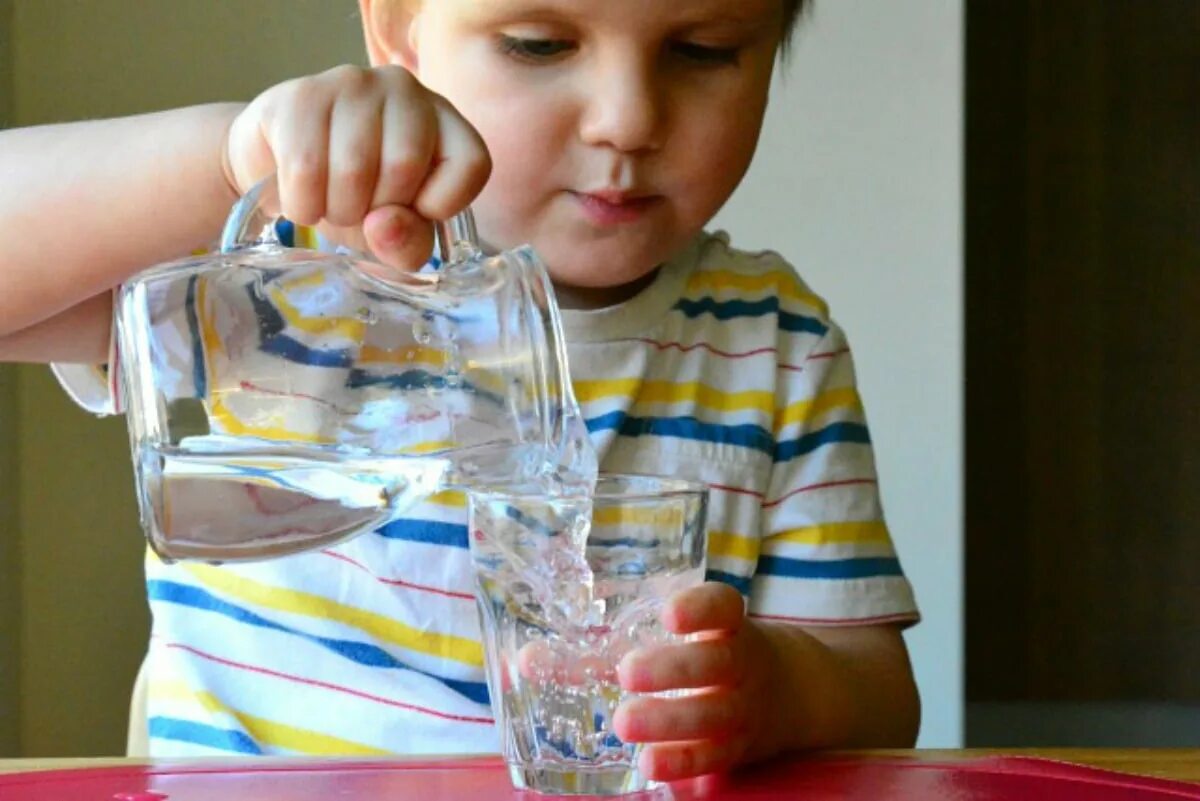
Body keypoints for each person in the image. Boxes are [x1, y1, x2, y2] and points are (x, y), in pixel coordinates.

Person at [0, 0, 921, 780]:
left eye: (703, 50)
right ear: (400, 32)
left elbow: (876, 687)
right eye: (539, 44)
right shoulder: (288, 279)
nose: (627, 117)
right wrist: (223, 159)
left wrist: (777, 692)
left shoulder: (775, 342)